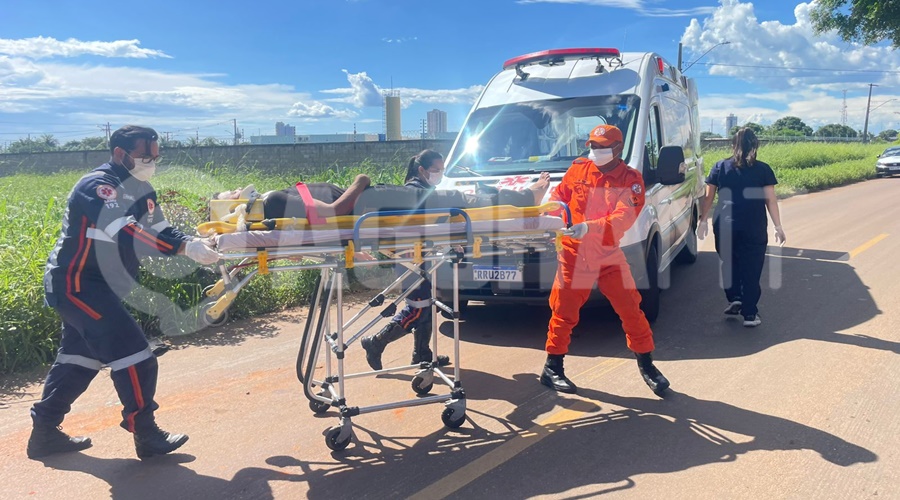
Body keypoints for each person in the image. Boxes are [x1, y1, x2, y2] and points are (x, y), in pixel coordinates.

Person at [28, 125, 221, 460]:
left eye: (156, 158)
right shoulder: (98, 187)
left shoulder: (142, 188)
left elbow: (160, 230)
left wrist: (192, 243)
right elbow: (127, 233)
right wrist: (184, 248)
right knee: (135, 354)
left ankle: (43, 435)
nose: (152, 163)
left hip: (98, 288)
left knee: (80, 360)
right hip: (77, 285)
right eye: (145, 157)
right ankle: (145, 432)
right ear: (120, 154)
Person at [359, 149, 551, 371]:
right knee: (419, 308)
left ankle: (422, 354)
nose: (439, 174)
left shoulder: (423, 190)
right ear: (421, 170)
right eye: (436, 170)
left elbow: (431, 226)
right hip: (409, 258)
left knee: (427, 304)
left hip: (416, 256)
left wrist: (451, 240)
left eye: (442, 170)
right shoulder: (417, 192)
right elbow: (419, 226)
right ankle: (376, 342)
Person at [540, 124, 670, 396]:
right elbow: (559, 196)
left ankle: (647, 365)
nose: (594, 151)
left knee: (631, 309)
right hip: (574, 253)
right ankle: (552, 368)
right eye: (592, 146)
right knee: (563, 312)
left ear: (618, 148)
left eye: (601, 147)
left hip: (608, 253)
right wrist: (554, 216)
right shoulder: (578, 169)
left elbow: (624, 216)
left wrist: (590, 226)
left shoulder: (630, 179)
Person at [698, 127, 785, 327]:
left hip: (725, 225)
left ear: (732, 145)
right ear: (755, 146)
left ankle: (735, 297)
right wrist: (778, 226)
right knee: (751, 268)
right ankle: (750, 314)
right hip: (753, 225)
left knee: (729, 262)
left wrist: (703, 220)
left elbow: (708, 197)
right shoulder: (763, 169)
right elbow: (770, 200)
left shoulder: (720, 167)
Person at [214, 174, 371, 221]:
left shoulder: (269, 208)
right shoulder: (273, 202)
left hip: (365, 202)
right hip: (371, 202)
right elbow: (334, 211)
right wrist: (361, 180)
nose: (239, 188)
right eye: (233, 192)